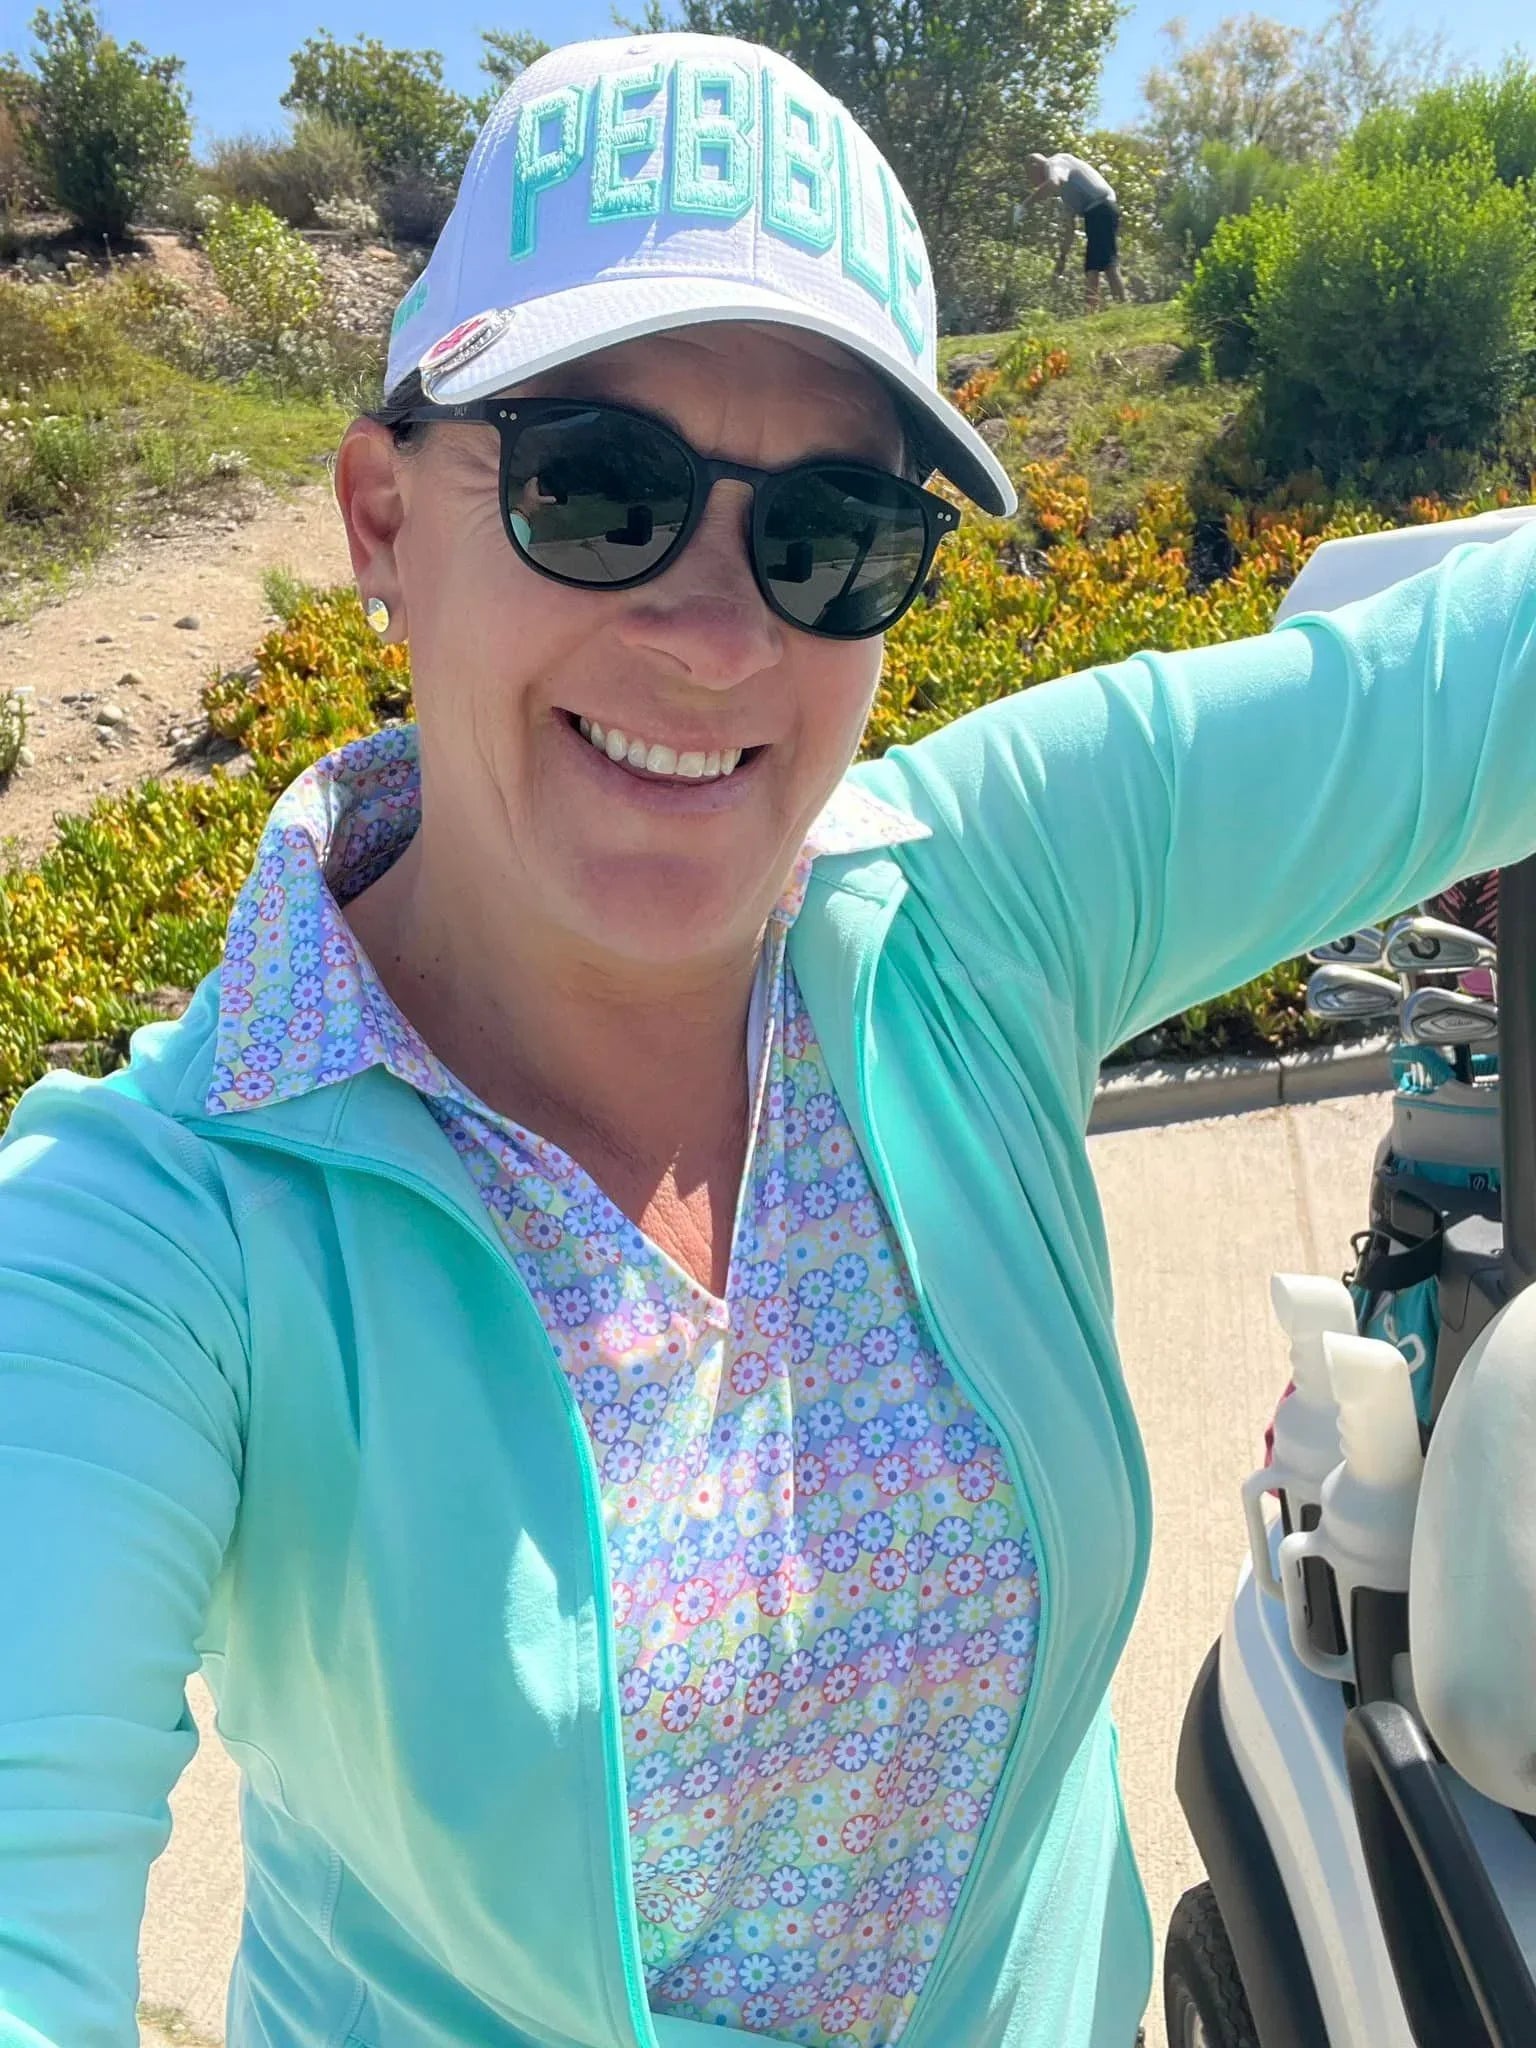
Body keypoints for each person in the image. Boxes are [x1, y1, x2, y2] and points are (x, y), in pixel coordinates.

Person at [2, 28, 1535, 2048]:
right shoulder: (142, 1237)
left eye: (827, 533)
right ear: (382, 519)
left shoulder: (975, 903)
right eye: (597, 489)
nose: (720, 634)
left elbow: (1454, 686)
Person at [1022, 149, 1128, 312]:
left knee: (1107, 262)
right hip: (1094, 214)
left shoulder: (1055, 162)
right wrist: (1062, 257)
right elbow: (1070, 228)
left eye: (1030, 175)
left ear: (1036, 165)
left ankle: (1123, 308)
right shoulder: (1066, 192)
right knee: (1092, 266)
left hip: (1102, 207)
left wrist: (1025, 205)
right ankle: (1090, 314)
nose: (1032, 182)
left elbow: (1053, 183)